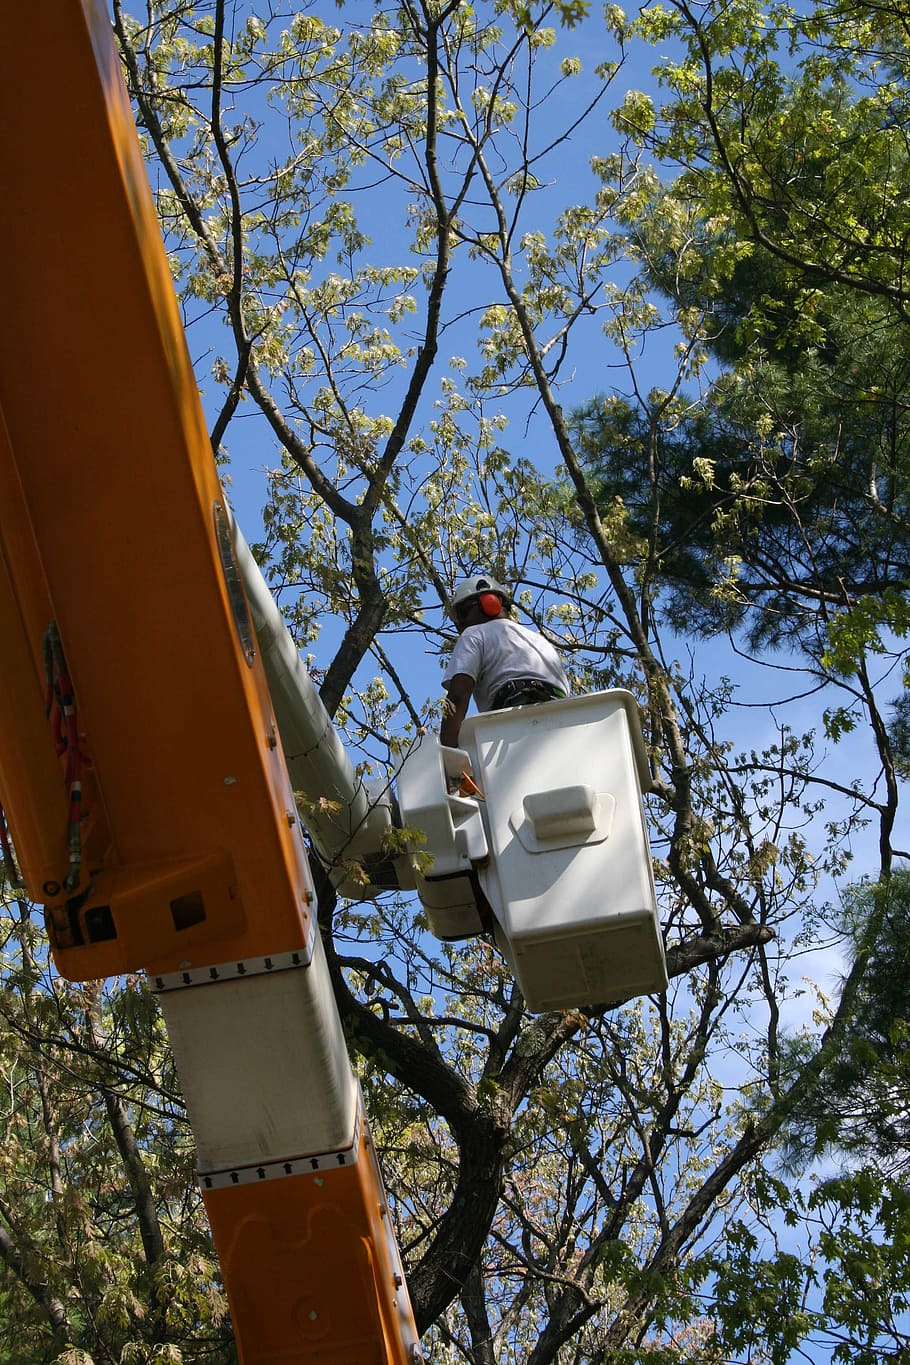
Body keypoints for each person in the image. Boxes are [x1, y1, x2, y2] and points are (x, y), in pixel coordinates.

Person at [440, 574, 570, 747]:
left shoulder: (474, 634)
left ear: (489, 602)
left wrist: (446, 750)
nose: (461, 625)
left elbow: (459, 694)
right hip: (563, 726)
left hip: (512, 729)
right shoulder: (539, 640)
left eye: (463, 614)